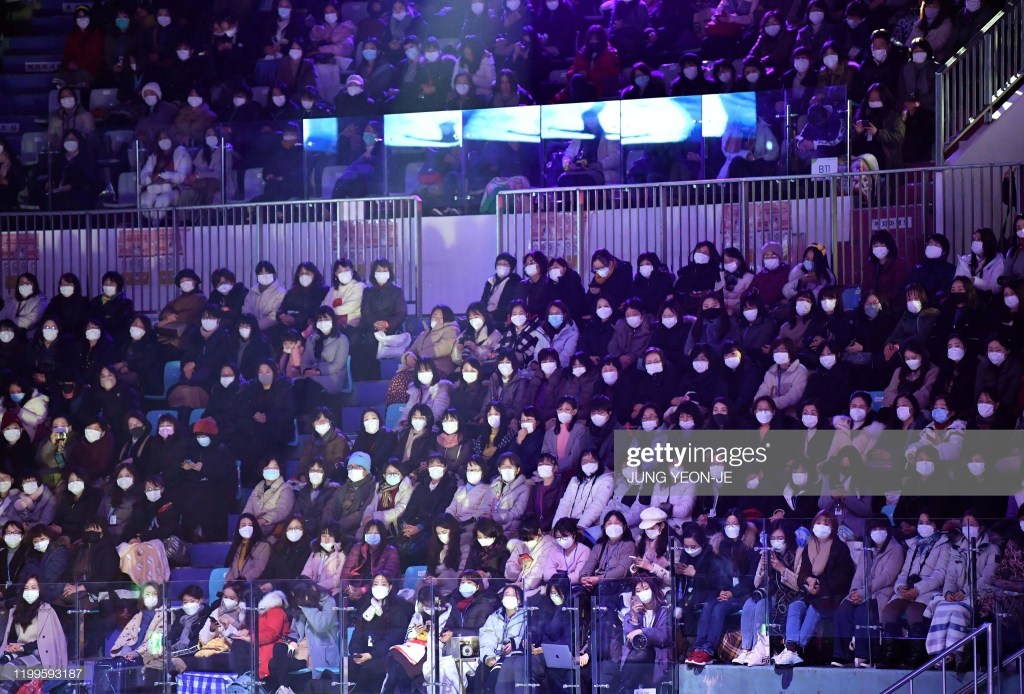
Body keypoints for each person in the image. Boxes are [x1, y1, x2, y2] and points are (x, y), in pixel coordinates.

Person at [773, 512, 855, 666]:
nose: (822, 526)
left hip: (831, 594)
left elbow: (843, 579)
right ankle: (791, 649)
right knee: (795, 606)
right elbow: (802, 573)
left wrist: (820, 587)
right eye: (818, 522)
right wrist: (808, 579)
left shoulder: (840, 548)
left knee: (815, 607)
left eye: (826, 523)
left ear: (833, 526)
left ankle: (795, 649)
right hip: (809, 591)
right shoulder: (809, 546)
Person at [832, 518, 904, 667]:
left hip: (882, 592)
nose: (877, 532)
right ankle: (842, 655)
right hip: (861, 592)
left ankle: (865, 655)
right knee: (842, 610)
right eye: (873, 529)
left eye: (880, 528)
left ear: (888, 529)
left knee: (864, 611)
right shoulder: (867, 549)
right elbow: (859, 575)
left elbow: (887, 577)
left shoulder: (896, 549)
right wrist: (854, 592)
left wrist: (863, 593)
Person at [735, 519, 800, 667]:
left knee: (762, 605)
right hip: (768, 591)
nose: (775, 542)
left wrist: (781, 568)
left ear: (787, 538)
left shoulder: (797, 553)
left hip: (787, 595)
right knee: (749, 604)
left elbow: (798, 584)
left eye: (780, 538)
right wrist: (763, 567)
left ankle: (761, 649)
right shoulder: (768, 552)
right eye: (773, 539)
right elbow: (757, 583)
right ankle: (747, 648)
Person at [243, 458, 295, 538]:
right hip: (254, 525)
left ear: (280, 470)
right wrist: (245, 521)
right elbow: (249, 508)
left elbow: (282, 511)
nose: (271, 470)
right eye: (268, 468)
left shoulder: (286, 488)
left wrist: (263, 520)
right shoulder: (258, 487)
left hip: (273, 528)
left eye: (274, 468)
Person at [300, 522, 347, 595]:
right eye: (324, 536)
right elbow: (306, 573)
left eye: (330, 536)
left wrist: (317, 587)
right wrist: (305, 585)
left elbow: (336, 580)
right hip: (312, 591)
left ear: (337, 537)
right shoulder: (315, 552)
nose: (326, 539)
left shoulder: (342, 555)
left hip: (332, 593)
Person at [261, 516, 312, 581]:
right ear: (285, 530)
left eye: (297, 528)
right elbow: (268, 571)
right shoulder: (279, 547)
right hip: (272, 587)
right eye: (290, 528)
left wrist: (273, 585)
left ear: (303, 529)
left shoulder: (308, 549)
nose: (294, 531)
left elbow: (297, 575)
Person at [225, 514, 271, 581]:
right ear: (239, 528)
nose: (247, 528)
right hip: (234, 586)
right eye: (243, 525)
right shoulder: (237, 545)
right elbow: (232, 569)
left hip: (250, 585)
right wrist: (229, 583)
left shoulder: (264, 546)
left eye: (250, 525)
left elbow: (258, 568)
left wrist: (243, 580)